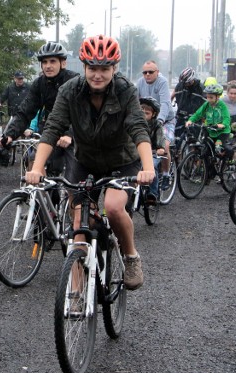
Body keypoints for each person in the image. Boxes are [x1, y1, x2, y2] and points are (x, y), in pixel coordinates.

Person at [25, 35, 155, 291]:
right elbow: (52, 129)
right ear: (84, 67)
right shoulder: (70, 90)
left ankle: (131, 257)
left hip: (122, 160)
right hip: (84, 160)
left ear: (114, 68)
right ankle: (75, 291)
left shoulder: (126, 90)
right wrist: (37, 168)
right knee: (79, 222)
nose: (98, 74)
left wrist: (148, 168)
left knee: (114, 207)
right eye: (92, 68)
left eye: (104, 69)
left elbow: (139, 129)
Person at [3, 41, 79, 177]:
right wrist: (10, 134)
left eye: (52, 61)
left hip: (74, 133)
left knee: (74, 180)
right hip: (52, 131)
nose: (48, 66)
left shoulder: (74, 81)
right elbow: (25, 111)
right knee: (41, 169)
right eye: (44, 62)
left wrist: (69, 135)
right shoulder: (39, 84)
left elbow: (83, 114)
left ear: (63, 63)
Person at [137, 60, 175, 190]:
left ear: (157, 72)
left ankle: (165, 174)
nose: (147, 74)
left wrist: (160, 120)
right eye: (145, 72)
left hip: (165, 120)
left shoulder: (162, 82)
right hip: (146, 120)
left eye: (151, 72)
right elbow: (135, 103)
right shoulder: (140, 83)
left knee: (164, 145)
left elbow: (165, 103)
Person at [186, 83, 232, 163]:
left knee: (218, 146)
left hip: (222, 132)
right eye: (207, 97)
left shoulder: (222, 106)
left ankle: (229, 159)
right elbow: (198, 114)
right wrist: (190, 120)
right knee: (205, 149)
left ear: (218, 97)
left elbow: (226, 118)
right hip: (211, 131)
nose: (209, 99)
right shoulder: (206, 105)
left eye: (211, 97)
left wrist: (223, 125)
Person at [139, 97, 166, 203]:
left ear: (154, 114)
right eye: (141, 111)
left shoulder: (157, 125)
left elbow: (161, 138)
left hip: (153, 152)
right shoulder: (135, 123)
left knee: (152, 166)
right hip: (137, 152)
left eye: (147, 113)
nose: (143, 114)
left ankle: (153, 193)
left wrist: (160, 148)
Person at [172, 67, 205, 132]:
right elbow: (171, 97)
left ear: (191, 80)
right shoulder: (179, 86)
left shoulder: (200, 88)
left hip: (195, 119)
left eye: (187, 83)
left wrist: (204, 117)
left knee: (193, 138)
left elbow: (206, 104)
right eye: (183, 83)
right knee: (177, 138)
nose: (185, 85)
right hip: (180, 117)